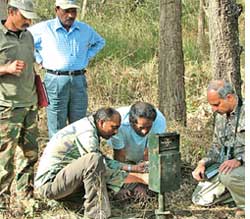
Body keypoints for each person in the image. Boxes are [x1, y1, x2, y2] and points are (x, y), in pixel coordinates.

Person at [35, 107, 149, 219]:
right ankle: (97, 215)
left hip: (62, 180)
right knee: (93, 161)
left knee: (96, 160)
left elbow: (101, 161)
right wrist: (139, 178)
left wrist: (133, 168)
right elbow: (96, 164)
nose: (116, 132)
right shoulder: (87, 133)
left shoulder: (89, 126)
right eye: (113, 127)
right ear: (101, 122)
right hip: (49, 185)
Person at [28, 0, 106, 138]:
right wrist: (39, 59)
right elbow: (25, 41)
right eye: (66, 11)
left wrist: (86, 56)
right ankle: (58, 156)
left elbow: (100, 42)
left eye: (73, 11)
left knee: (79, 121)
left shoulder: (84, 29)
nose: (70, 15)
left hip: (78, 79)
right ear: (57, 10)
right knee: (57, 122)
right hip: (55, 79)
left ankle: (77, 155)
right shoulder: (45, 28)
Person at [0, 0, 38, 213]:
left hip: (30, 106)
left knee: (30, 155)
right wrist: (6, 68)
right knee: (4, 161)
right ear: (11, 12)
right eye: (24, 16)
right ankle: (2, 206)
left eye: (30, 16)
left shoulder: (29, 36)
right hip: (7, 108)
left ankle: (26, 200)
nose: (28, 20)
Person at [191, 80, 245, 218]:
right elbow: (216, 147)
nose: (214, 109)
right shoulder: (221, 116)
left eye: (216, 104)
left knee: (228, 176)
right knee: (200, 198)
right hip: (228, 168)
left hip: (241, 166)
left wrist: (240, 159)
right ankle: (238, 193)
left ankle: (244, 206)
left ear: (229, 98)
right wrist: (202, 163)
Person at [107, 101, 167, 165]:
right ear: (131, 122)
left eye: (149, 127)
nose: (145, 131)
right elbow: (119, 154)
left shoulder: (159, 121)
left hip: (143, 150)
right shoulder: (118, 122)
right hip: (125, 148)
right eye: (141, 128)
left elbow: (150, 152)